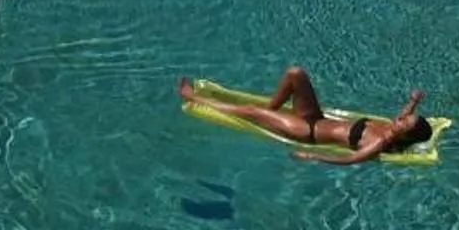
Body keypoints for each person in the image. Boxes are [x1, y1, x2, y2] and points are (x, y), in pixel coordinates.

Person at [182, 68, 431, 166]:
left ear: (405, 134)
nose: (400, 119)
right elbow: (405, 116)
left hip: (306, 131)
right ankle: (271, 110)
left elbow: (351, 160)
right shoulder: (391, 127)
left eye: (404, 123)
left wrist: (312, 155)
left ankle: (194, 98)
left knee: (250, 111)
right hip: (316, 117)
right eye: (404, 118)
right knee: (295, 74)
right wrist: (413, 102)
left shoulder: (379, 143)